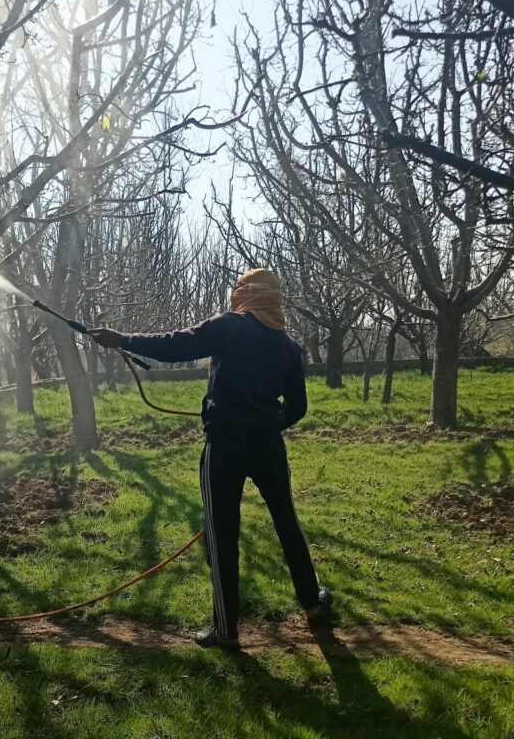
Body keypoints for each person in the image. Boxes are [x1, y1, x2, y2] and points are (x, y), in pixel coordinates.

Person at [89, 268, 332, 651]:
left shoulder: (229, 326)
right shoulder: (288, 346)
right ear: (275, 298)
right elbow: (297, 407)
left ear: (245, 294)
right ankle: (312, 605)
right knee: (287, 522)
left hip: (224, 446)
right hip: (268, 445)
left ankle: (226, 630)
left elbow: (176, 345)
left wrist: (122, 339)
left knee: (221, 535)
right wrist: (267, 421)